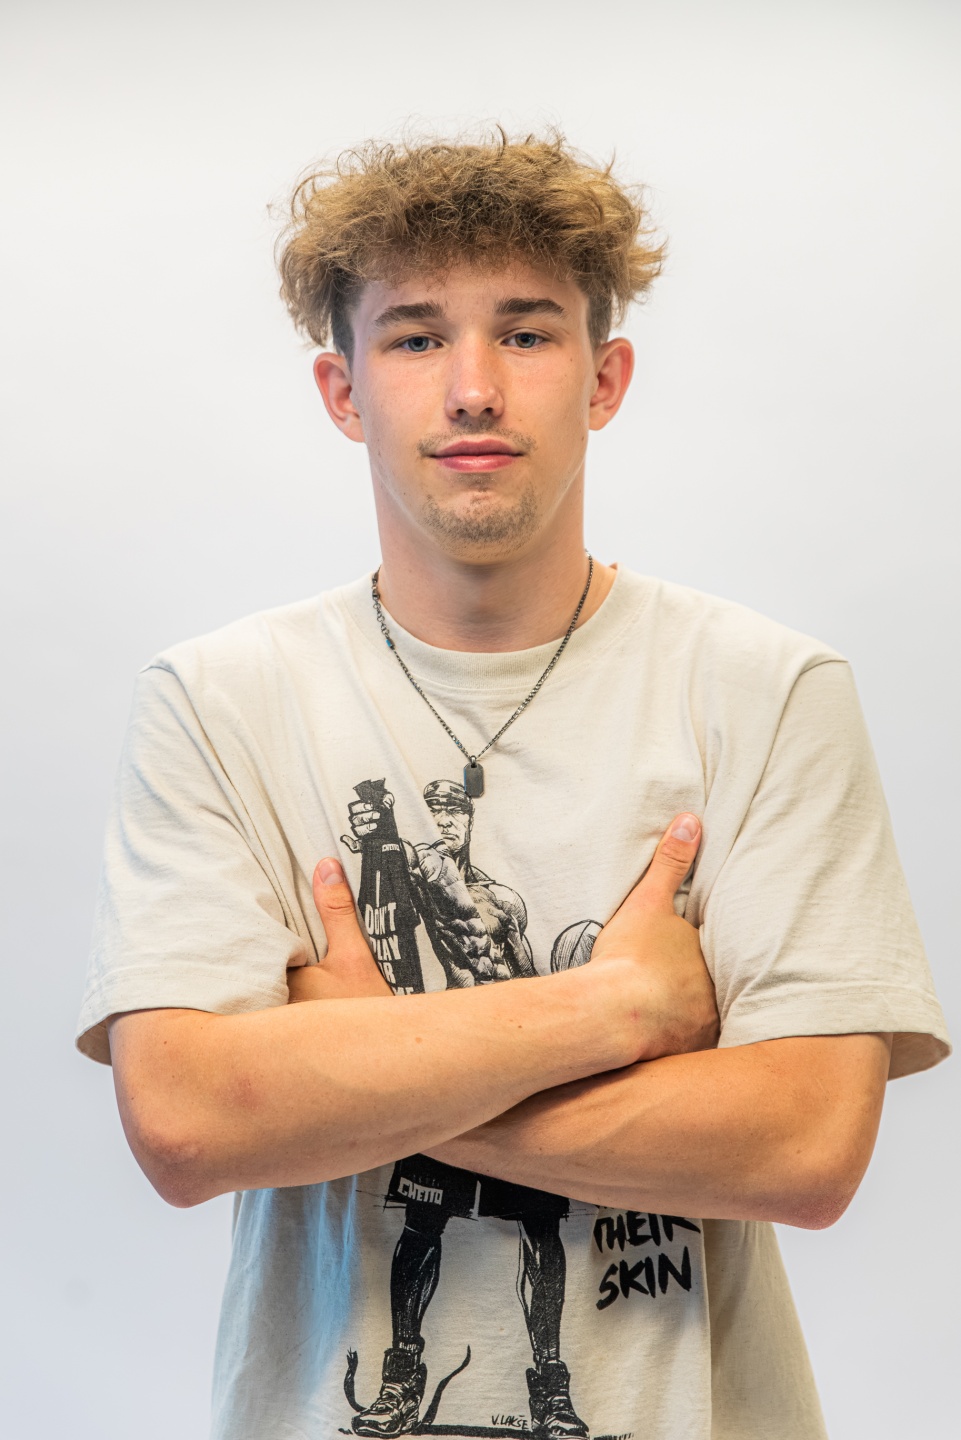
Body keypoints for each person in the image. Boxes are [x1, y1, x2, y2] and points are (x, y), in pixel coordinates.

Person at [76, 132, 950, 1440]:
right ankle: (415, 1375)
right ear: (343, 390)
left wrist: (357, 1065)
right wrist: (619, 1006)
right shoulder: (219, 702)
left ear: (604, 380)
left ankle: (538, 1375)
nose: (474, 388)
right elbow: (190, 1125)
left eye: (527, 334)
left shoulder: (767, 691)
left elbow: (805, 1150)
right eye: (416, 337)